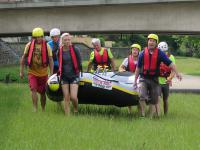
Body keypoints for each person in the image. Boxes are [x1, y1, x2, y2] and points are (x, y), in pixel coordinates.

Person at [134, 34, 182, 118]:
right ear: (147, 42)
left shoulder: (160, 54)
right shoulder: (142, 53)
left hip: (154, 79)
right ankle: (143, 114)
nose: (151, 42)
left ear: (156, 43)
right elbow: (138, 68)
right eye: (150, 40)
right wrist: (135, 81)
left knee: (154, 99)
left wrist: (177, 73)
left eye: (153, 41)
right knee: (141, 96)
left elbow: (171, 64)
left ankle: (150, 117)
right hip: (143, 78)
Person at [20, 27, 54, 112]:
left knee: (43, 93)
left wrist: (52, 73)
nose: (39, 38)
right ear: (33, 38)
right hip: (32, 73)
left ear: (42, 37)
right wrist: (21, 71)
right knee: (33, 89)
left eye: (40, 36)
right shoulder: (29, 45)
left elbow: (50, 60)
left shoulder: (47, 46)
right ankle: (35, 108)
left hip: (44, 74)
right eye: (36, 37)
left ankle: (43, 109)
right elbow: (23, 58)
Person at [58, 33, 82, 115]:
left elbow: (80, 62)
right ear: (62, 41)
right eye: (65, 40)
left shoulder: (76, 49)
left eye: (69, 39)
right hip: (64, 77)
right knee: (66, 97)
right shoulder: (59, 51)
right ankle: (67, 116)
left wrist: (80, 73)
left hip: (74, 76)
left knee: (73, 97)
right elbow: (59, 64)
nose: (67, 41)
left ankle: (75, 109)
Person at [118, 43, 141, 113]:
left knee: (139, 96)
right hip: (129, 79)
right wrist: (122, 70)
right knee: (129, 95)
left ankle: (139, 111)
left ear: (139, 51)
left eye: (136, 50)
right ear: (131, 51)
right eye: (133, 50)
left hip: (139, 80)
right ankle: (129, 111)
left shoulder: (141, 59)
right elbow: (121, 67)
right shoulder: (127, 59)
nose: (134, 51)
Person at [157, 41, 176, 115]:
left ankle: (165, 114)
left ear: (167, 50)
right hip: (157, 81)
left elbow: (173, 70)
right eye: (161, 51)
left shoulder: (171, 57)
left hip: (166, 82)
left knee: (165, 100)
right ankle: (158, 115)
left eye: (164, 51)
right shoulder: (156, 56)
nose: (162, 53)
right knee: (157, 98)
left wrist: (170, 78)